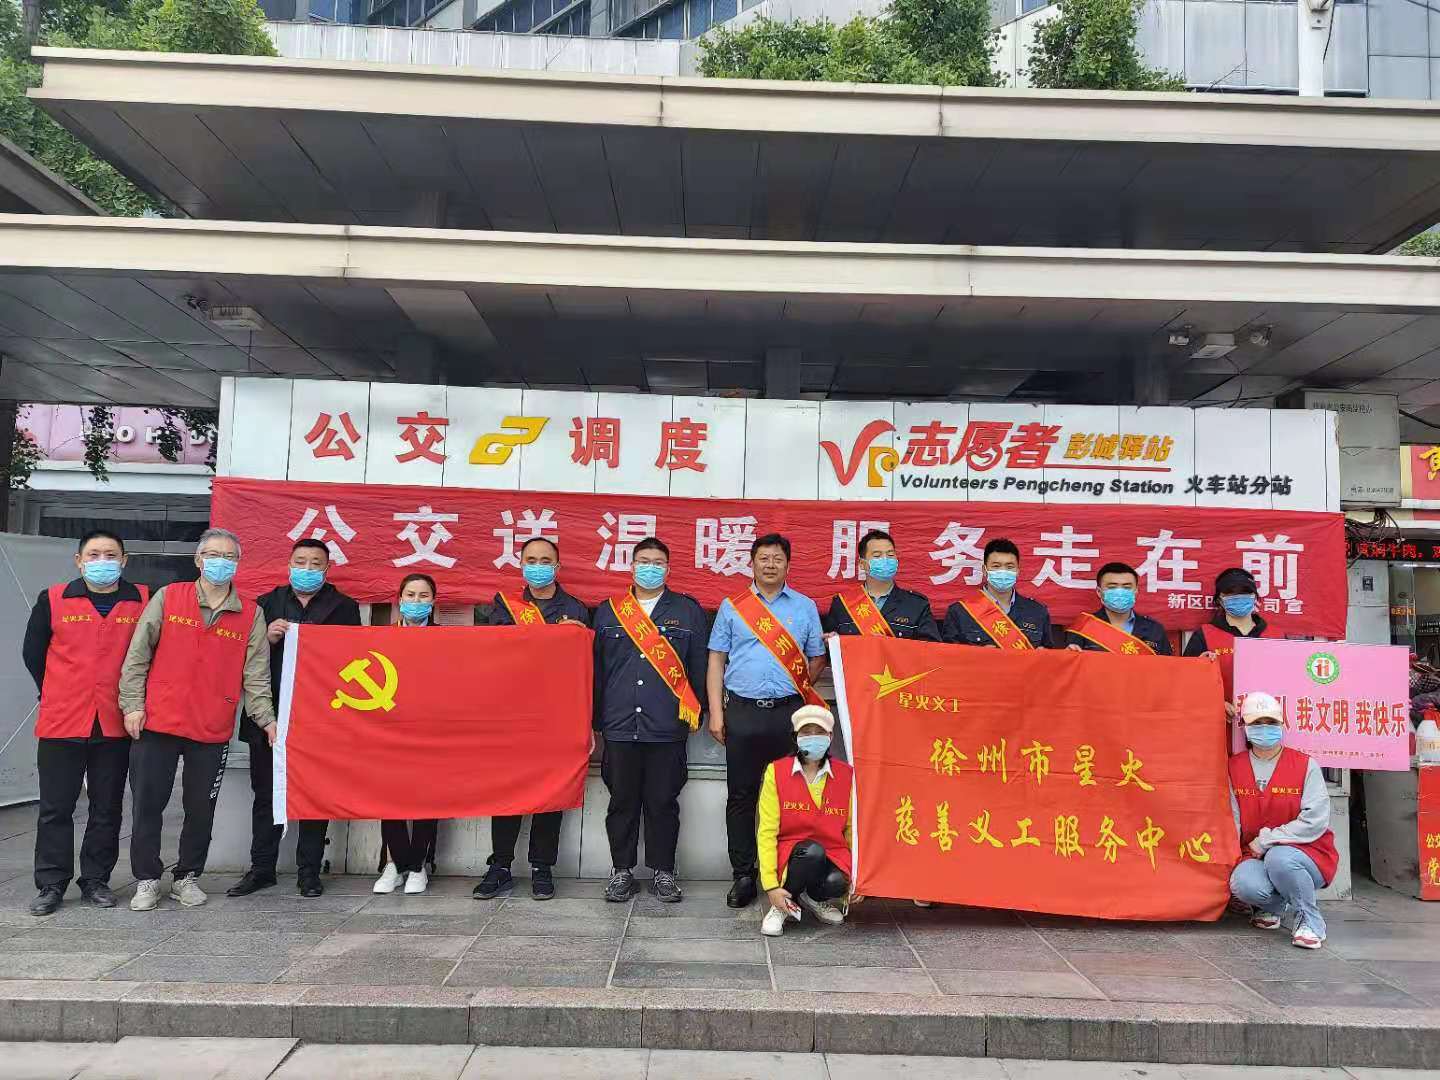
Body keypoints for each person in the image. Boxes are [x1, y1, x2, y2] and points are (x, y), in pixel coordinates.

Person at [119, 528, 275, 912]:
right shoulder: (170, 597)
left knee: (201, 807)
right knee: (147, 805)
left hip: (211, 726)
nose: (221, 562)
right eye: (213, 555)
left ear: (238, 564)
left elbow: (256, 675)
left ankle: (187, 876)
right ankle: (147, 879)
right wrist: (132, 704)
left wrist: (266, 719)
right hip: (158, 720)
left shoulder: (250, 613)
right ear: (198, 560)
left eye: (230, 557)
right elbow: (138, 654)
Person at [22, 530, 149, 917]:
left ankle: (95, 879)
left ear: (124, 560)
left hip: (115, 721)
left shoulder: (142, 600)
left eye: (111, 554)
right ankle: (51, 883)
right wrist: (57, 689)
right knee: (55, 807)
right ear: (79, 561)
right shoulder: (53, 598)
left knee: (107, 807)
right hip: (63, 719)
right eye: (93, 555)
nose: (102, 561)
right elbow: (33, 653)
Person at [229, 538, 361, 901]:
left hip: (320, 717)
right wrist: (267, 638)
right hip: (268, 716)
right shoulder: (265, 604)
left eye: (315, 563)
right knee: (266, 794)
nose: (307, 569)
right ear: (288, 564)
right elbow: (241, 658)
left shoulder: (344, 608)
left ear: (327, 568)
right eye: (300, 562)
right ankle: (261, 868)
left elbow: (352, 659)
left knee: (315, 796)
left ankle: (309, 871)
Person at [707, 533, 826, 909]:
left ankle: (787, 874)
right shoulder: (733, 607)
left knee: (792, 797)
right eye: (764, 558)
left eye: (777, 559)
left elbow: (816, 657)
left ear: (788, 565)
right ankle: (743, 875)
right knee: (741, 797)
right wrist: (717, 712)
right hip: (742, 712)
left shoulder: (805, 606)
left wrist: (797, 686)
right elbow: (716, 660)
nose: (770, 564)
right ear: (752, 563)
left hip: (788, 715)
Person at [591, 537, 707, 904]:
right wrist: (595, 720)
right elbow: (596, 671)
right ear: (632, 566)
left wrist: (697, 711)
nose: (650, 568)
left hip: (667, 725)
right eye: (644, 561)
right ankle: (621, 872)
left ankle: (663, 872)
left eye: (658, 562)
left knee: (663, 802)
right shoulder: (608, 612)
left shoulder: (687, 611)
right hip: (619, 724)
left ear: (668, 569)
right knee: (621, 802)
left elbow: (699, 668)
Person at [474, 537, 589, 902]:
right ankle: (500, 866)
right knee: (507, 792)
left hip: (556, 715)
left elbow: (583, 668)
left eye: (545, 560)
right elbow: (490, 655)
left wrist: (576, 637)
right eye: (531, 560)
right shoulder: (504, 606)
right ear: (521, 564)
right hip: (511, 713)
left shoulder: (575, 609)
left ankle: (542, 867)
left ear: (558, 566)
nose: (538, 566)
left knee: (550, 793)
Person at [1228, 691, 1337, 950]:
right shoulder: (1234, 767)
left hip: (1305, 853)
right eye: (1257, 723)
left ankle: (1310, 921)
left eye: (1271, 722)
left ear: (1281, 725)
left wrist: (1267, 840)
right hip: (1253, 854)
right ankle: (1273, 906)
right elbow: (1232, 819)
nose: (1265, 728)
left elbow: (1314, 820)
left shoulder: (1304, 765)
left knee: (1280, 858)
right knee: (1244, 884)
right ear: (1245, 728)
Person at [756, 704, 852, 938]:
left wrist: (860, 876)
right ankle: (781, 903)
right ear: (796, 737)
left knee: (838, 881)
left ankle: (814, 898)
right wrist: (770, 886)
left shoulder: (847, 775)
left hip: (832, 852)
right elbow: (767, 831)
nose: (813, 738)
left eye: (819, 732)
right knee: (812, 852)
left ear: (830, 737)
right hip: (793, 853)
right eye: (806, 732)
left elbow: (852, 829)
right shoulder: (776, 772)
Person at [375, 573, 440, 896]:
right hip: (389, 728)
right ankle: (394, 864)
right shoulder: (382, 637)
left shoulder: (447, 639)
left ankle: (418, 865)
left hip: (431, 729)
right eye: (410, 595)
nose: (416, 601)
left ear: (433, 601)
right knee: (389, 796)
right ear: (399, 599)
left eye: (423, 595)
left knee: (428, 797)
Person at [824, 529, 941, 641]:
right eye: (877, 556)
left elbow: (930, 648)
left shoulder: (916, 605)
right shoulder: (843, 604)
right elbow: (831, 649)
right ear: (862, 564)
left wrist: (889, 645)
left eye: (890, 555)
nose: (885, 560)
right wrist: (832, 642)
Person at [941, 538, 1054, 649]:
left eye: (1010, 567)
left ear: (1017, 571)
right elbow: (949, 657)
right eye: (996, 566)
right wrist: (977, 656)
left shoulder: (1037, 612)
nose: (1003, 571)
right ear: (984, 570)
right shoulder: (960, 612)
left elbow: (1049, 657)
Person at [1064, 562, 1173, 656]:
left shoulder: (1154, 629)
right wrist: (1069, 655)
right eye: (1112, 587)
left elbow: (1167, 667)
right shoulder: (1084, 627)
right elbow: (1073, 666)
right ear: (1099, 592)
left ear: (1136, 591)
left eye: (1127, 587)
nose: (1120, 592)